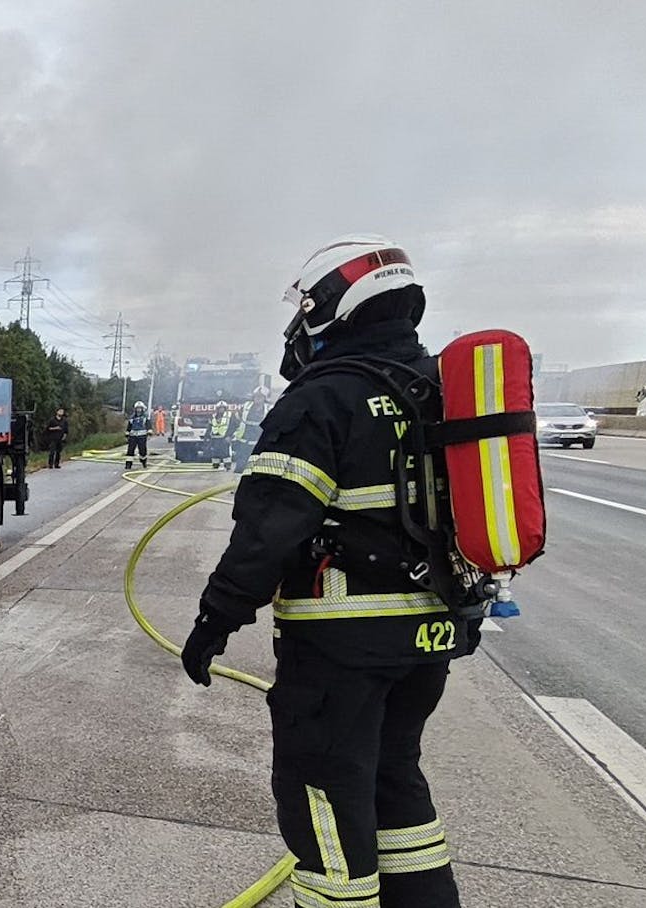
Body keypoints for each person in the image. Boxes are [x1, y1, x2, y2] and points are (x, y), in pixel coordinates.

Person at [181, 235, 471, 907]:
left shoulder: (327, 398)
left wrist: (213, 622)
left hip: (342, 645)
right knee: (395, 784)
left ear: (334, 306)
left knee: (324, 807)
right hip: (428, 640)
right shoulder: (436, 391)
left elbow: (269, 531)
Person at [230, 388, 270, 474]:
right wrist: (229, 434)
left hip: (258, 440)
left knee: (256, 466)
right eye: (256, 396)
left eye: (260, 397)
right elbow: (234, 420)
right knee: (240, 466)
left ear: (264, 398)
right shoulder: (246, 406)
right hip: (243, 439)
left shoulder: (268, 409)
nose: (257, 399)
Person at [124, 401, 151, 469]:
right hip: (133, 436)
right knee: (130, 450)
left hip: (142, 436)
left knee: (142, 450)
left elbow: (148, 426)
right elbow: (129, 427)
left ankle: (143, 461)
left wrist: (149, 433)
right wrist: (127, 434)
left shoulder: (145, 417)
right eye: (137, 408)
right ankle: (128, 464)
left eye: (140, 408)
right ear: (135, 409)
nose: (138, 410)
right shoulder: (132, 418)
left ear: (142, 409)